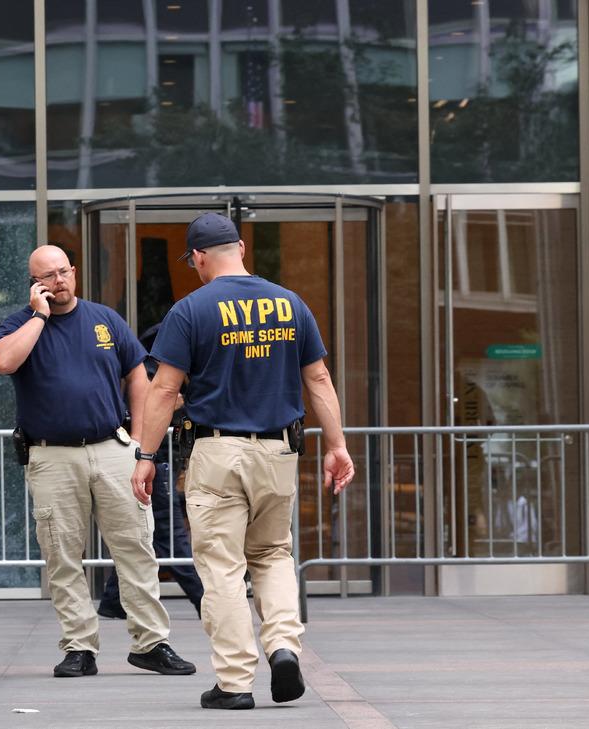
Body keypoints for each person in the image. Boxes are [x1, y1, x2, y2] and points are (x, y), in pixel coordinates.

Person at [128, 213, 354, 710]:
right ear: (243, 247)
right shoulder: (289, 302)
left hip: (217, 453)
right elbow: (318, 380)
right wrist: (337, 446)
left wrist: (145, 455)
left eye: (193, 262)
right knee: (273, 554)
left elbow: (164, 388)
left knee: (223, 568)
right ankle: (284, 647)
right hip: (279, 450)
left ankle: (234, 682)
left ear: (201, 257)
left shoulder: (189, 310)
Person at [0, 244, 196, 679]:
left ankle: (152, 643)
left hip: (112, 448)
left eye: (63, 272)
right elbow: (5, 361)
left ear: (75, 272)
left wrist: (141, 445)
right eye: (47, 276)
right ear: (34, 283)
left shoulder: (105, 319)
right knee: (63, 556)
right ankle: (79, 647)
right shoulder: (19, 324)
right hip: (51, 454)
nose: (58, 281)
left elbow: (139, 379)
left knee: (138, 549)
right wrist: (39, 317)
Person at [98, 323, 204, 620]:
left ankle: (113, 599)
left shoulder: (154, 371)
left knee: (150, 535)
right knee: (170, 534)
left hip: (154, 461)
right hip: (152, 463)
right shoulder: (150, 374)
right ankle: (203, 599)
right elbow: (146, 415)